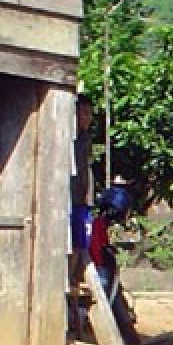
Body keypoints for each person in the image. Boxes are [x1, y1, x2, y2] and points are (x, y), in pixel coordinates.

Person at [88, 179, 141, 345]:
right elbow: (96, 250)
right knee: (105, 297)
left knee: (115, 297)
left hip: (102, 266)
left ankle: (130, 340)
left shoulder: (100, 224)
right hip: (99, 268)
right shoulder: (97, 225)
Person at [69, 94, 95, 284]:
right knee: (70, 242)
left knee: (80, 242)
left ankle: (72, 279)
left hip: (82, 200)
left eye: (89, 114)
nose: (87, 118)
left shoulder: (86, 139)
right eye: (83, 113)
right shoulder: (69, 139)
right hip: (68, 199)